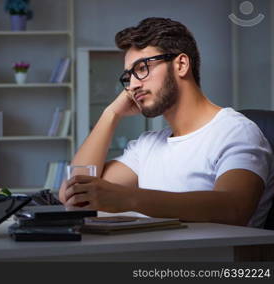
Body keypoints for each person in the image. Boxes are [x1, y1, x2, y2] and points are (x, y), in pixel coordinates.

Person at [59, 17, 274, 227]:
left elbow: (233, 208)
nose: (131, 85)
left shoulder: (236, 131)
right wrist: (111, 114)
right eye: (128, 77)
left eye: (142, 68)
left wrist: (128, 199)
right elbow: (74, 194)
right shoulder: (147, 145)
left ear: (181, 64)